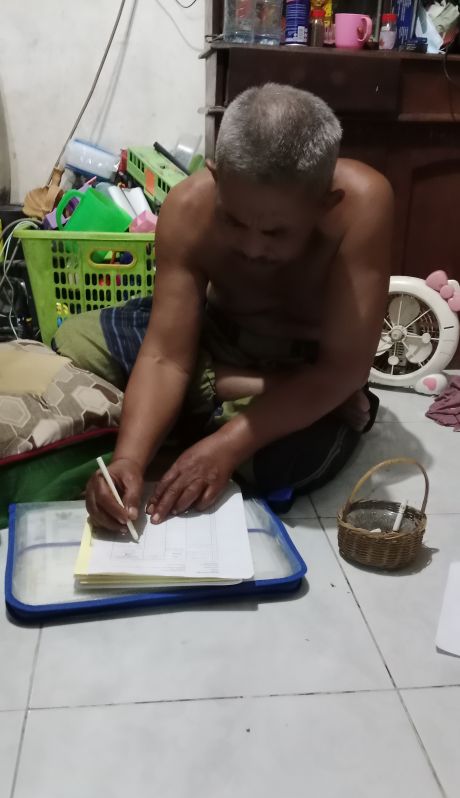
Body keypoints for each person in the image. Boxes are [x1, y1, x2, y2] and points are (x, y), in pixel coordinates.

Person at [54, 83, 393, 532]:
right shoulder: (188, 206)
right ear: (216, 178)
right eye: (233, 220)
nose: (252, 248)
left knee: (288, 462)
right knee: (74, 338)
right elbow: (165, 355)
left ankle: (214, 412)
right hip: (212, 338)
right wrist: (129, 460)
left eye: (276, 233)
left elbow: (342, 368)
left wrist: (228, 446)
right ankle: (234, 395)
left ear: (325, 205)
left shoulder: (364, 203)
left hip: (306, 364)